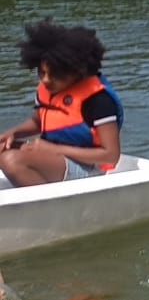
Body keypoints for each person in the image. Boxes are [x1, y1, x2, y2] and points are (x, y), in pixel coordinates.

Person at [0, 20, 124, 188]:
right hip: (55, 158)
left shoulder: (98, 101)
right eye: (42, 73)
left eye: (54, 74)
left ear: (75, 71)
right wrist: (13, 133)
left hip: (88, 169)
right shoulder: (48, 90)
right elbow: (38, 122)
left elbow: (111, 155)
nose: (45, 80)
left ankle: (48, 208)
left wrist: (55, 150)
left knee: (11, 159)